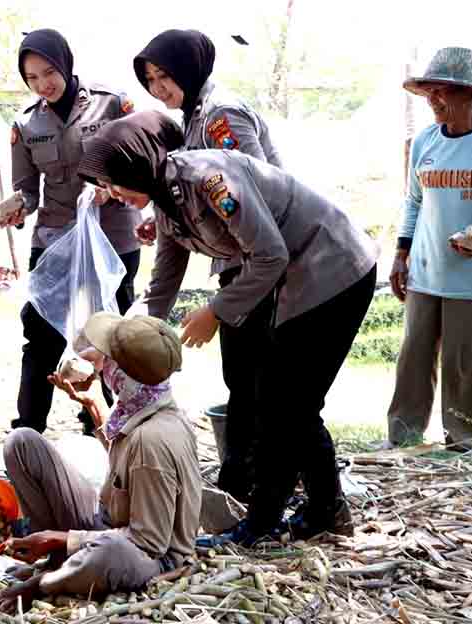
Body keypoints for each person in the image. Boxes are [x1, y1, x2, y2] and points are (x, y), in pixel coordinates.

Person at [78, 110, 378, 545]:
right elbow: (163, 283)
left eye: (112, 182)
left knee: (283, 405)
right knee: (290, 402)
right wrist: (116, 343)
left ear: (135, 166)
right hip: (299, 282)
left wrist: (215, 311)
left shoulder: (209, 179)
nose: (111, 193)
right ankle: (325, 509)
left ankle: (262, 523)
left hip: (334, 269)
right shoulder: (168, 200)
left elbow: (270, 255)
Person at [133, 29, 282, 503]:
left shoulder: (220, 116)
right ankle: (247, 480)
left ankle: (256, 485)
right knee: (243, 377)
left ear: (191, 67)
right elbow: (172, 258)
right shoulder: (191, 119)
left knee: (257, 379)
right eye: (151, 79)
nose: (160, 87)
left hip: (261, 260)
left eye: (166, 75)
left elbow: (255, 191)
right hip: (239, 260)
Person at [0, 312, 199, 607]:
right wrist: (93, 408)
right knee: (21, 443)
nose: (102, 365)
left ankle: (46, 581)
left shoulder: (151, 440)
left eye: (108, 361)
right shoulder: (147, 404)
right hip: (108, 521)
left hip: (153, 557)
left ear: (122, 375)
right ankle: (61, 558)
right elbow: (123, 471)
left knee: (109, 552)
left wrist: (63, 538)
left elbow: (148, 542)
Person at [7, 28, 143, 435]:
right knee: (41, 333)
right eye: (31, 78)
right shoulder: (27, 123)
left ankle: (110, 425)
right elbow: (27, 191)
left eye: (48, 72)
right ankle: (27, 431)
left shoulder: (113, 104)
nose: (43, 84)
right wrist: (16, 205)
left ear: (65, 63)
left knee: (110, 335)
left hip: (112, 239)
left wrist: (111, 190)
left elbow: (141, 165)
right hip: (55, 242)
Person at [386, 47, 472, 452]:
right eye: (429, 94)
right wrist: (401, 254)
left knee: (466, 367)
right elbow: (415, 203)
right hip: (426, 271)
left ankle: (466, 446)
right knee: (414, 361)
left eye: (443, 92)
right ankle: (402, 440)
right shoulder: (424, 141)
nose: (434, 102)